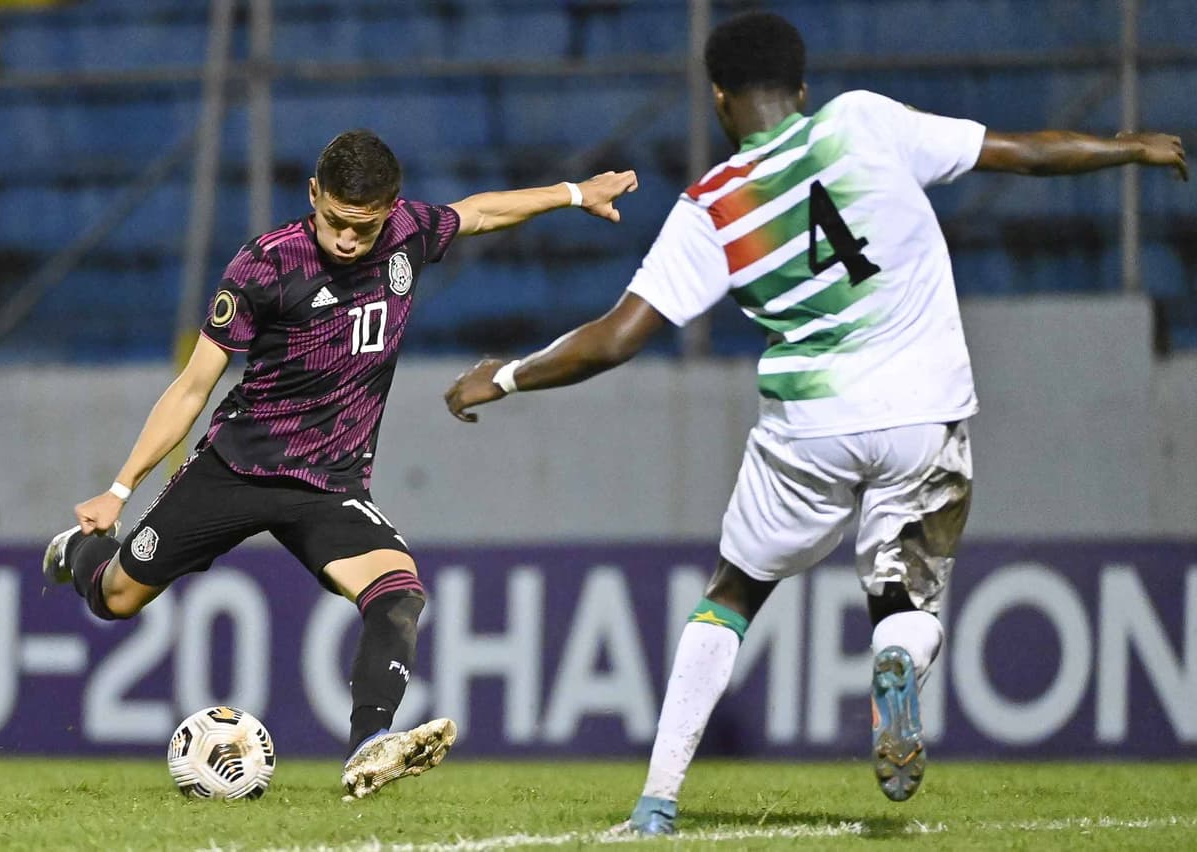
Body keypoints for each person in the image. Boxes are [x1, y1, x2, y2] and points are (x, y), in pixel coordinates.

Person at [444, 10, 1187, 835]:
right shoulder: (863, 121)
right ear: (801, 89)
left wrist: (505, 376)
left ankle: (656, 805)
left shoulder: (713, 205)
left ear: (718, 98)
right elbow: (1017, 151)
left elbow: (617, 338)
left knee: (732, 594)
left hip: (810, 427)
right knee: (903, 593)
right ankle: (896, 654)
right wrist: (1125, 148)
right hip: (922, 410)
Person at [41, 129, 637, 798]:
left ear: (391, 209)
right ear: (313, 194)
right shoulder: (266, 265)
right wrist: (119, 490)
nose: (348, 240)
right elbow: (192, 388)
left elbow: (479, 211)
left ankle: (368, 747)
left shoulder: (408, 234)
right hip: (237, 467)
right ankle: (79, 551)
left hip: (329, 484)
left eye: (364, 226)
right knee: (117, 598)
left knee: (399, 593)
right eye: (335, 221)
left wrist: (575, 193)